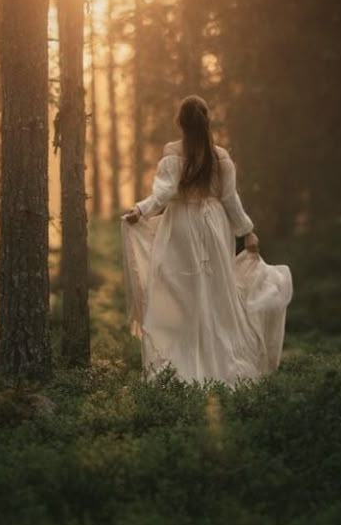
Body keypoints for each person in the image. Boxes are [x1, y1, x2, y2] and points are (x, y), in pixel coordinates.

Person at [121, 95, 293, 386]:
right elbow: (229, 199)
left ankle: (180, 366)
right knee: (213, 294)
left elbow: (163, 194)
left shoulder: (173, 152)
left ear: (180, 122)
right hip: (214, 226)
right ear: (206, 120)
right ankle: (217, 364)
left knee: (179, 291)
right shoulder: (220, 156)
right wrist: (246, 231)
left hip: (181, 227)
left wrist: (141, 209)